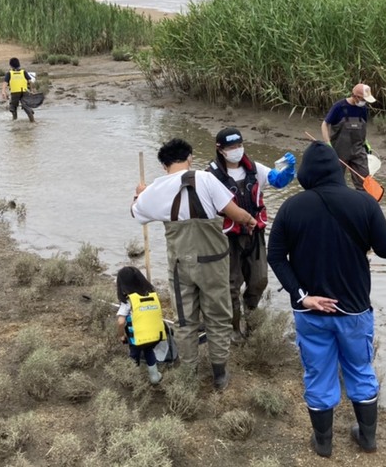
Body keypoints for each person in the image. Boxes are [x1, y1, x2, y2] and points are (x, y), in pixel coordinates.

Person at [267, 141, 386, 458]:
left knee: (319, 374)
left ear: (307, 173)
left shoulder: (291, 208)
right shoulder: (364, 204)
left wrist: (302, 296)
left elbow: (275, 257)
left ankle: (322, 443)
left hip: (311, 312)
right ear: (338, 170)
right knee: (360, 370)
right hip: (353, 309)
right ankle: (367, 438)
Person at [131, 138, 258, 390]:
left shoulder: (156, 188)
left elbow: (136, 213)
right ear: (189, 157)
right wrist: (250, 221)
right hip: (213, 264)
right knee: (218, 317)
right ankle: (219, 374)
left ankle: (188, 373)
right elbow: (234, 212)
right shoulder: (206, 178)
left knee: (185, 319)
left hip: (180, 266)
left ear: (164, 165)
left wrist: (139, 194)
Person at [205, 127, 296, 339]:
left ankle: (252, 319)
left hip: (255, 235)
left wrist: (289, 170)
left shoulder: (255, 169)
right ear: (220, 149)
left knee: (259, 279)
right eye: (231, 147)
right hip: (227, 238)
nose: (236, 150)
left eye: (239, 145)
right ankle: (234, 329)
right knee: (231, 284)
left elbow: (277, 180)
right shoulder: (209, 176)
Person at [321, 83, 376, 190]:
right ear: (356, 96)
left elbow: (362, 127)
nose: (364, 102)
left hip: (358, 151)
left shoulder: (363, 109)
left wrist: (366, 142)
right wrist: (327, 144)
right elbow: (324, 124)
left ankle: (363, 204)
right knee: (334, 183)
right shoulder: (339, 107)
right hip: (339, 152)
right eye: (363, 99)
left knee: (365, 183)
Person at [115, 266, 165, 385]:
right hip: (155, 336)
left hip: (137, 338)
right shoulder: (152, 295)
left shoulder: (128, 301)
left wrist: (121, 335)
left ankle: (132, 378)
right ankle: (154, 377)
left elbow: (121, 322)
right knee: (148, 351)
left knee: (134, 355)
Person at [1, 57, 35, 122]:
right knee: (26, 106)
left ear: (10, 65)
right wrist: (32, 90)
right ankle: (32, 121)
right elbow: (30, 81)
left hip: (15, 93)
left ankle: (14, 121)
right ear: (19, 64)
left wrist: (3, 91)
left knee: (13, 107)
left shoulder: (9, 73)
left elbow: (5, 83)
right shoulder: (23, 72)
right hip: (24, 92)